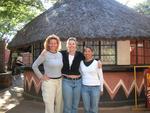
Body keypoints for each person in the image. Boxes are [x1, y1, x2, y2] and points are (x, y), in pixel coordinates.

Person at [32, 34, 63, 113]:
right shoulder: (44, 54)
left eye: (55, 43)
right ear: (48, 44)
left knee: (59, 103)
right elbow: (34, 66)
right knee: (49, 104)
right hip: (49, 82)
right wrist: (41, 76)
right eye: (51, 43)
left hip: (60, 81)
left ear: (57, 44)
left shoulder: (60, 54)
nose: (53, 44)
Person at [61, 37, 84, 113]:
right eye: (69, 44)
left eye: (73, 44)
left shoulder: (80, 55)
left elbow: (88, 59)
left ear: (76, 45)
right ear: (67, 45)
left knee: (75, 105)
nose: (71, 45)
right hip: (66, 81)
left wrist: (98, 61)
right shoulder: (62, 54)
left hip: (78, 82)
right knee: (67, 104)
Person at [80, 46, 104, 113]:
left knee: (94, 109)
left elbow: (101, 76)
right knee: (86, 108)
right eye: (85, 51)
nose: (87, 53)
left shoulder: (97, 63)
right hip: (84, 88)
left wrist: (101, 89)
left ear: (92, 53)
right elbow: (81, 74)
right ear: (84, 53)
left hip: (95, 88)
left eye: (89, 51)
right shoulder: (81, 63)